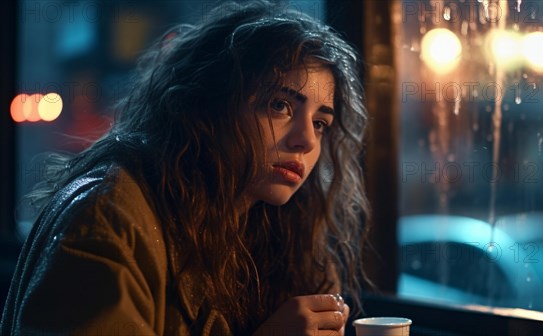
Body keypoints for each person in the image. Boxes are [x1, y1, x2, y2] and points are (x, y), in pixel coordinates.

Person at [1, 0, 370, 335]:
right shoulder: (108, 217)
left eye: (320, 123)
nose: (305, 140)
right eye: (280, 106)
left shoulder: (288, 238)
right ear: (211, 104)